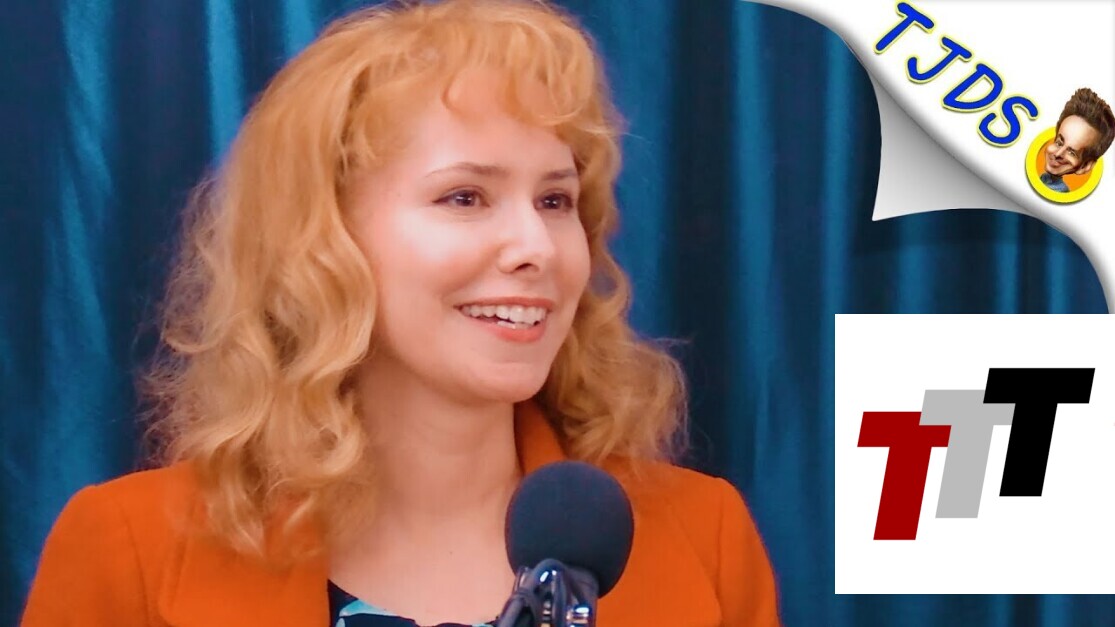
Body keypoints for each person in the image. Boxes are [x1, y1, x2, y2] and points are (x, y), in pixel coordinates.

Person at [21, 1, 780, 625]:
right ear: (321, 242)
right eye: (465, 196)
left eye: (555, 200)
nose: (536, 248)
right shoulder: (127, 548)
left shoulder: (703, 535)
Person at [1040, 87, 1114, 193]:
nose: (1058, 154)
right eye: (1059, 143)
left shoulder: (1060, 194)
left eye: (1072, 153)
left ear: (1085, 166)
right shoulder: (1043, 179)